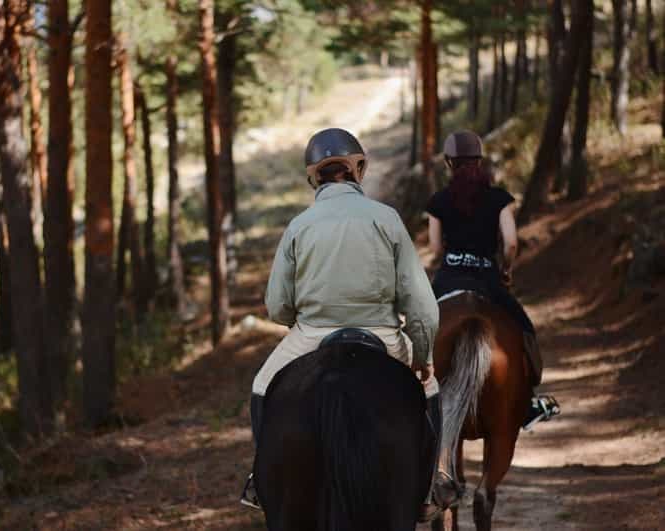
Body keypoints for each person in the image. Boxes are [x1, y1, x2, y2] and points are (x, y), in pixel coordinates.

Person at [240, 128, 458, 521]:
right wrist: (422, 356)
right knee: (430, 389)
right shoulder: (387, 219)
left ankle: (262, 479)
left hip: (311, 337)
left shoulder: (299, 225)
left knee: (261, 385)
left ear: (313, 176)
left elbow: (276, 307)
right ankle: (431, 482)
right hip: (383, 336)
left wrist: (299, 318)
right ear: (358, 168)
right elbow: (422, 306)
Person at [426, 129, 560, 429]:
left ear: (449, 163)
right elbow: (511, 242)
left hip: (449, 278)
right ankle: (528, 401)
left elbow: (435, 247)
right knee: (523, 328)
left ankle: (414, 399)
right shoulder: (499, 199)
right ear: (479, 160)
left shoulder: (439, 201)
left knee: (421, 329)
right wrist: (505, 269)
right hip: (487, 279)